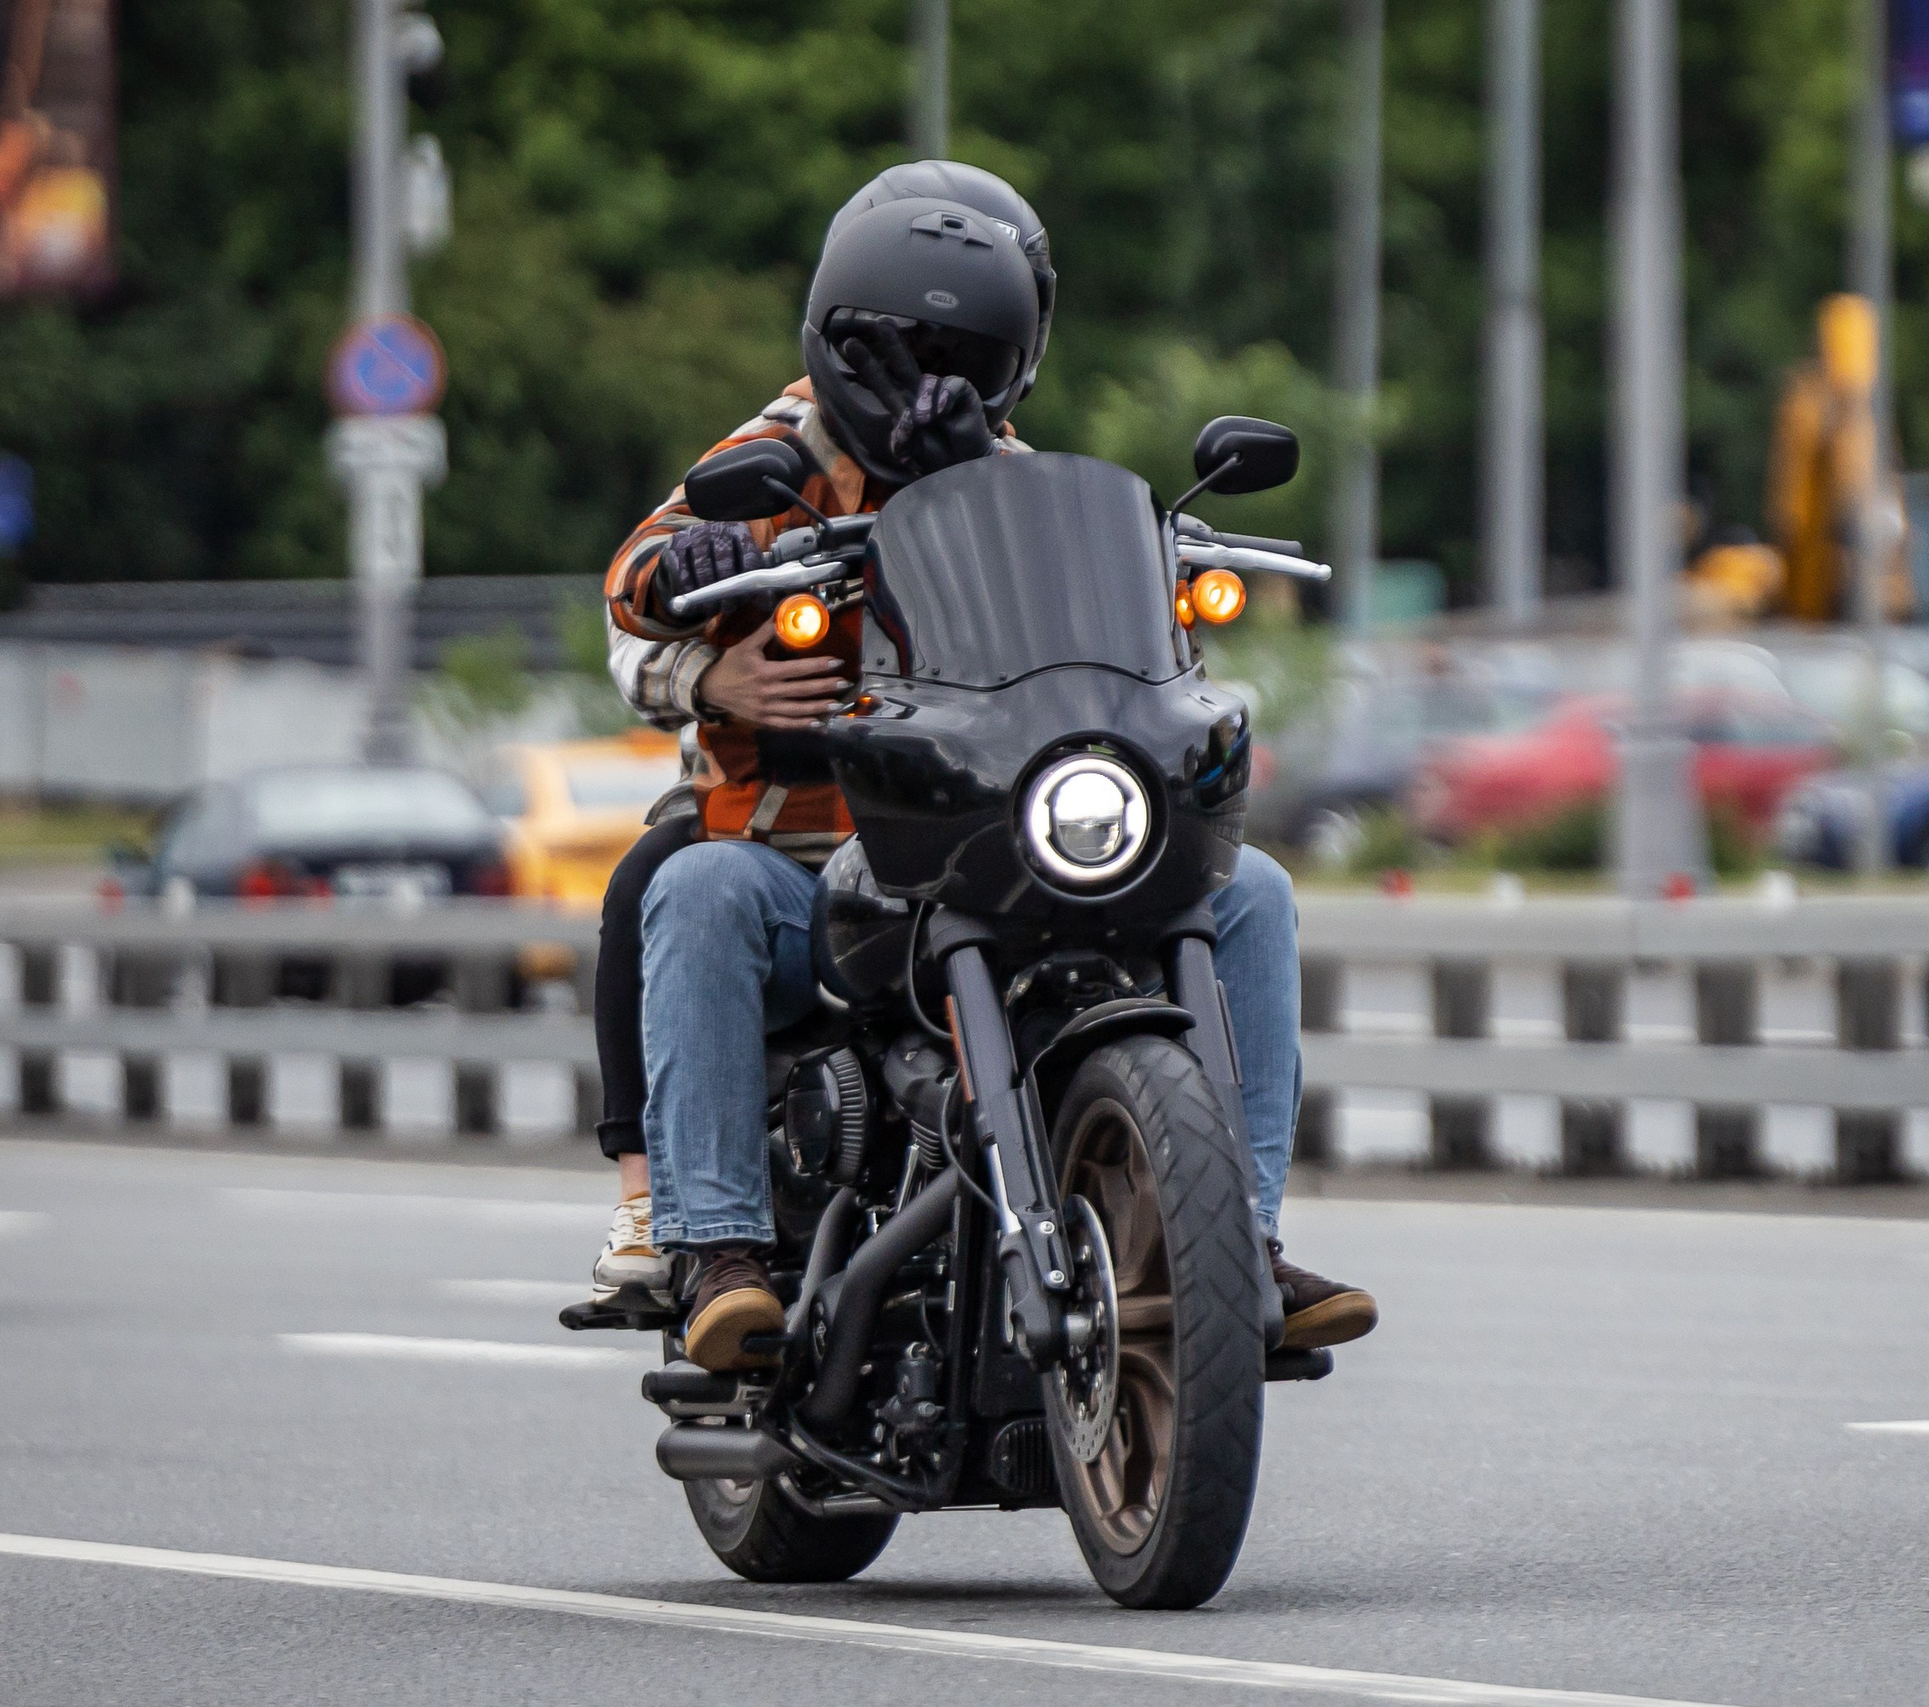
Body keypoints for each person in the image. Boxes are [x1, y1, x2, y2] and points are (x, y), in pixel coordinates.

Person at [589, 165, 1376, 1373]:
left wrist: (981, 476)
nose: (927, 377)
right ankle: (717, 1250)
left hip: (997, 850)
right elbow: (637, 577)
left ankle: (1238, 1247)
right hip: (816, 871)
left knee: (1255, 893)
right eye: (900, 350)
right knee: (693, 887)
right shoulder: (771, 455)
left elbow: (1104, 636)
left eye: (959, 357)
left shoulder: (1020, 477)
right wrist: (692, 576)